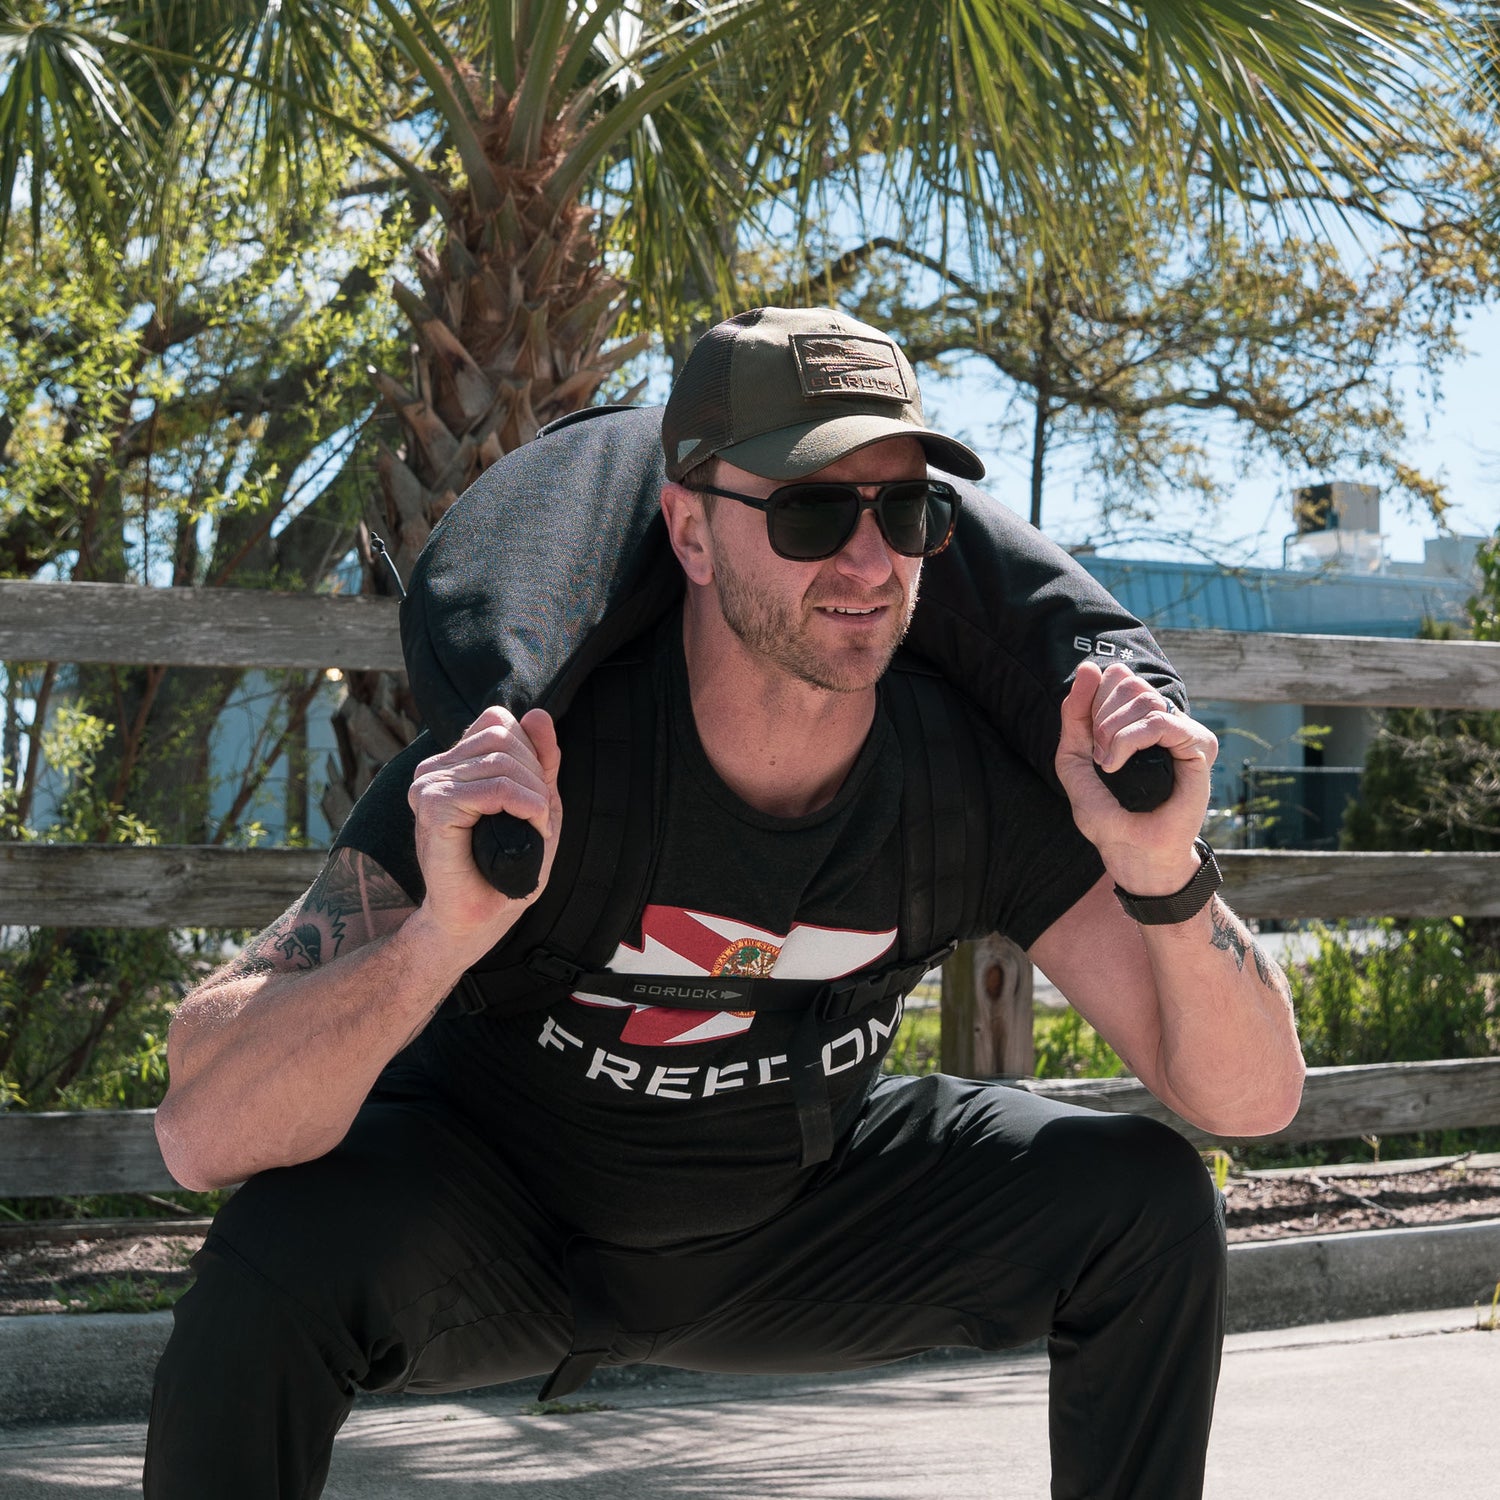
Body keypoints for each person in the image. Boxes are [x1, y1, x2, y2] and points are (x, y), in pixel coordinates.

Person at [144, 306, 1304, 1499]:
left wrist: (1164, 869)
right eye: (809, 512)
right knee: (271, 1267)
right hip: (497, 1222)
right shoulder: (539, 756)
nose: (866, 563)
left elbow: (1250, 1098)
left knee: (1151, 1206)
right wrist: (440, 938)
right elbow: (201, 1130)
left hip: (800, 1222)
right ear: (691, 532)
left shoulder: (965, 779)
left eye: (903, 513)